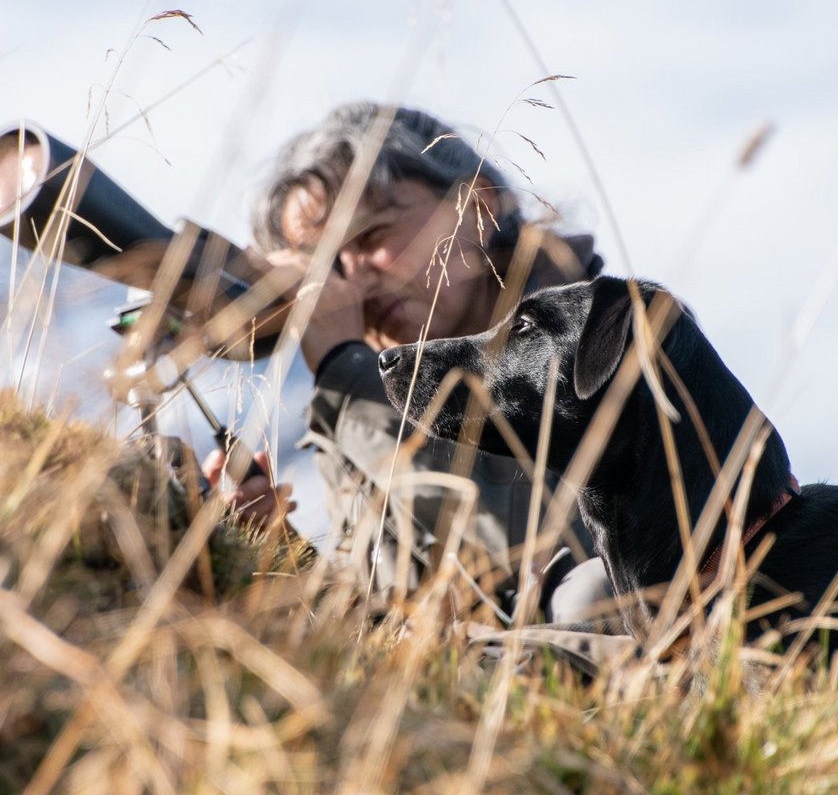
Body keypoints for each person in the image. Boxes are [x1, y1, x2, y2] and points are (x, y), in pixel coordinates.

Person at [205, 101, 611, 623]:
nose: (356, 281)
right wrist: (276, 550)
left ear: (478, 208)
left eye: (372, 238)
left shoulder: (609, 341)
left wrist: (345, 374)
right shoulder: (374, 410)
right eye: (329, 265)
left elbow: (538, 566)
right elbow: (396, 636)